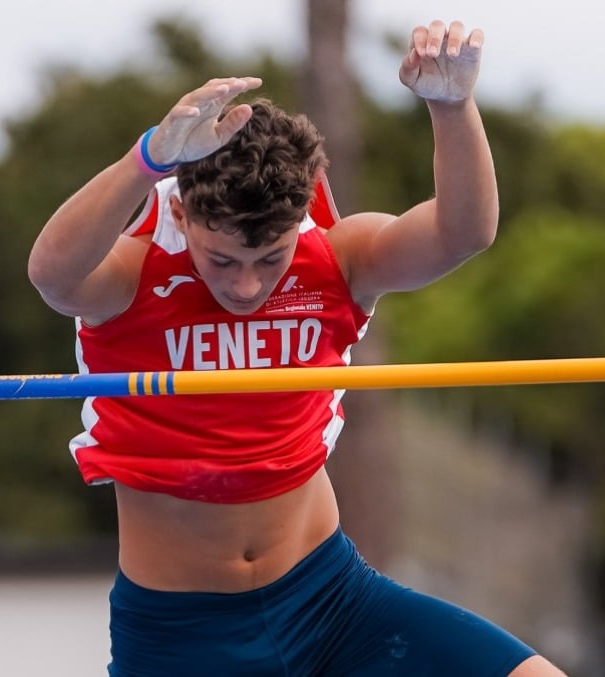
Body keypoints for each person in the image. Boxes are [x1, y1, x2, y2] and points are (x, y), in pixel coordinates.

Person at [28, 19, 567, 677]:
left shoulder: (341, 260)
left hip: (333, 602)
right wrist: (147, 160)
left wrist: (452, 108)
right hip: (183, 634)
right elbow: (51, 275)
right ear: (185, 215)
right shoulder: (130, 275)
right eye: (221, 259)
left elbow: (464, 233)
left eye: (270, 257)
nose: (246, 284)